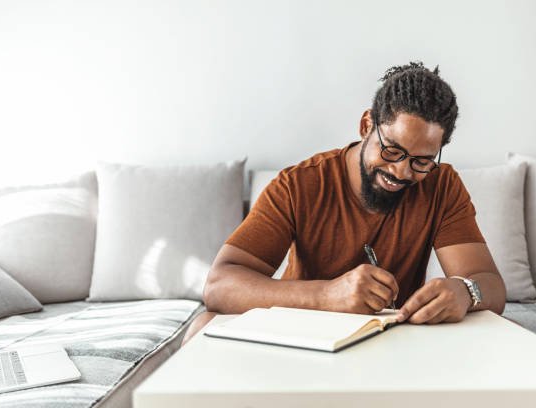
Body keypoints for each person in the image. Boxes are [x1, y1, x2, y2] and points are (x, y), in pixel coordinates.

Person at [181, 61, 506, 346]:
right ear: (367, 125)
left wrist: (466, 292)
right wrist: (328, 295)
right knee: (201, 327)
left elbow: (490, 285)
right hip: (300, 332)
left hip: (395, 339)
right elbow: (220, 285)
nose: (401, 171)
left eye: (422, 161)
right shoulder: (299, 184)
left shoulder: (442, 185)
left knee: (512, 333)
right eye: (392, 150)